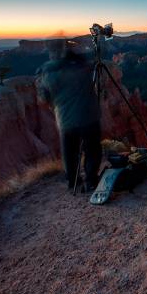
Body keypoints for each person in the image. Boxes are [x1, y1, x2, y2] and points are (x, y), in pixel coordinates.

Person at [37, 39, 102, 192]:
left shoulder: (47, 73)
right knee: (92, 150)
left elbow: (43, 100)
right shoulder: (83, 66)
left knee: (70, 153)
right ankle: (91, 180)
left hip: (66, 121)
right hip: (89, 116)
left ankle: (72, 182)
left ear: (52, 53)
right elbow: (95, 64)